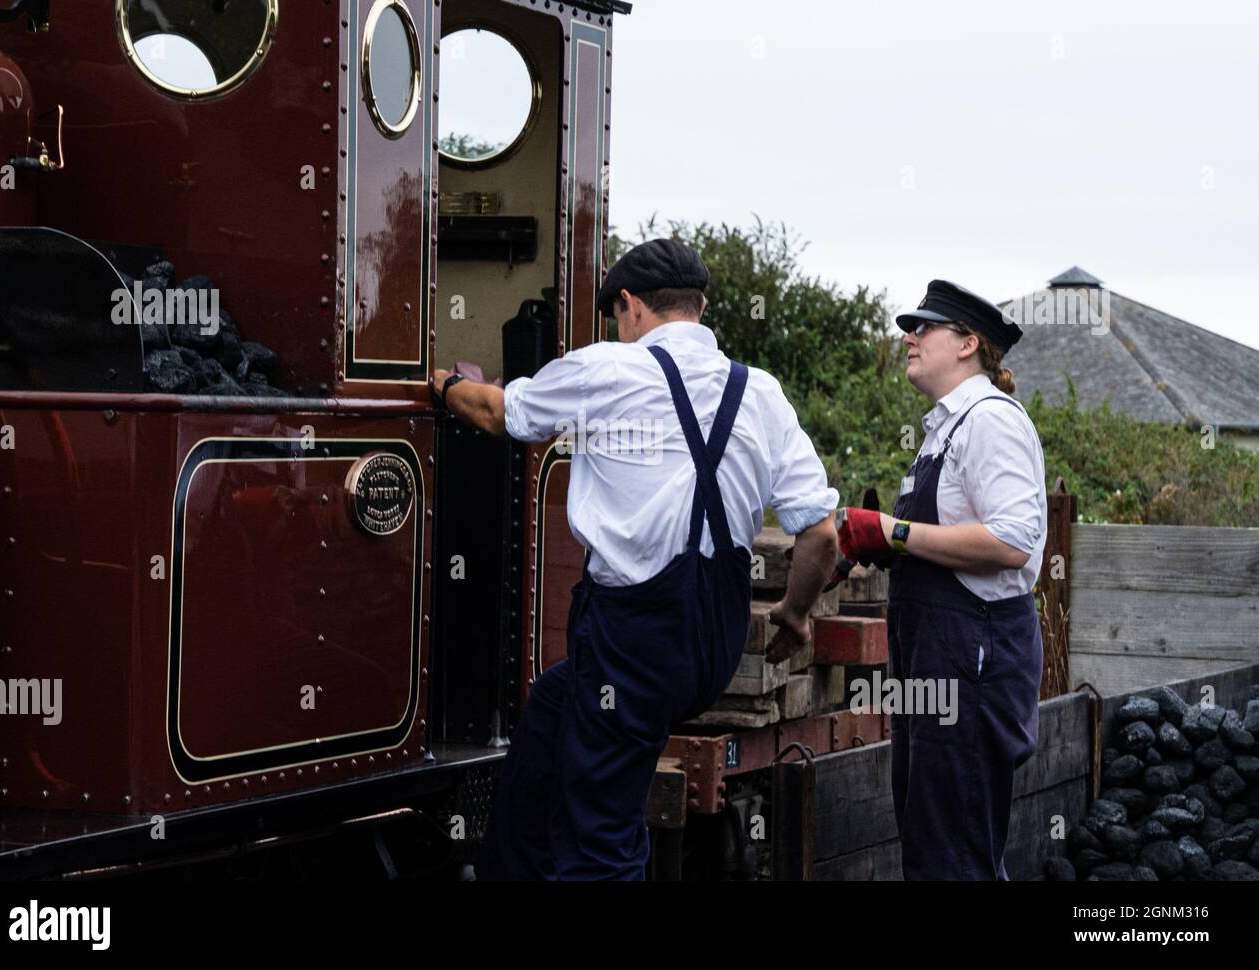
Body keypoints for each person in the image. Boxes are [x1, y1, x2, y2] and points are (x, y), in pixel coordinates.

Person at [431, 238, 840, 880]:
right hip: (712, 647)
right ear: (698, 307)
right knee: (552, 711)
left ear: (630, 306)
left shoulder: (608, 371)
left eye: (617, 317)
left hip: (634, 642)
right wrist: (794, 613)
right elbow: (821, 534)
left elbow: (495, 412)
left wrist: (445, 384)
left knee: (599, 835)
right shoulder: (759, 392)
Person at [836, 279, 1046, 880]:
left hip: (971, 663)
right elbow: (952, 538)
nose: (910, 336)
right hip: (938, 659)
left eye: (924, 327)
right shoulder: (944, 430)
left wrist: (897, 534)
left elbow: (1011, 541)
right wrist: (882, 543)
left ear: (968, 344)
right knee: (935, 847)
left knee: (955, 858)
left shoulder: (989, 422)